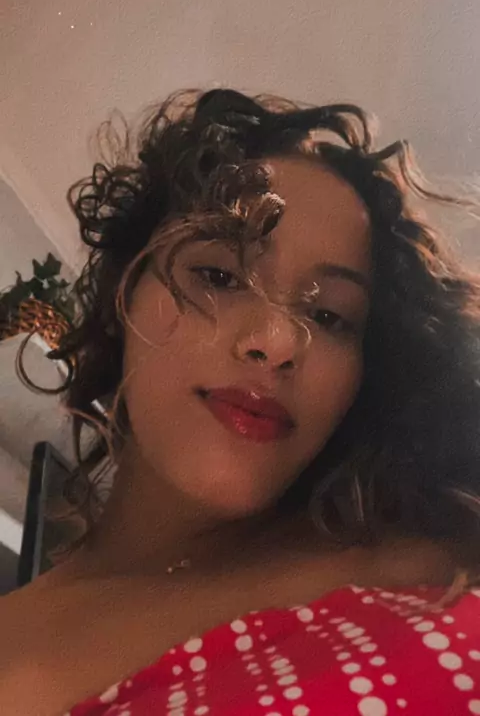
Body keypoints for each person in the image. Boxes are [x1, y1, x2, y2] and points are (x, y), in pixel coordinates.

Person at [3, 87, 480, 716]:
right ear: (123, 295)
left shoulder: (432, 572)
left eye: (331, 316)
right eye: (220, 276)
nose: (276, 343)